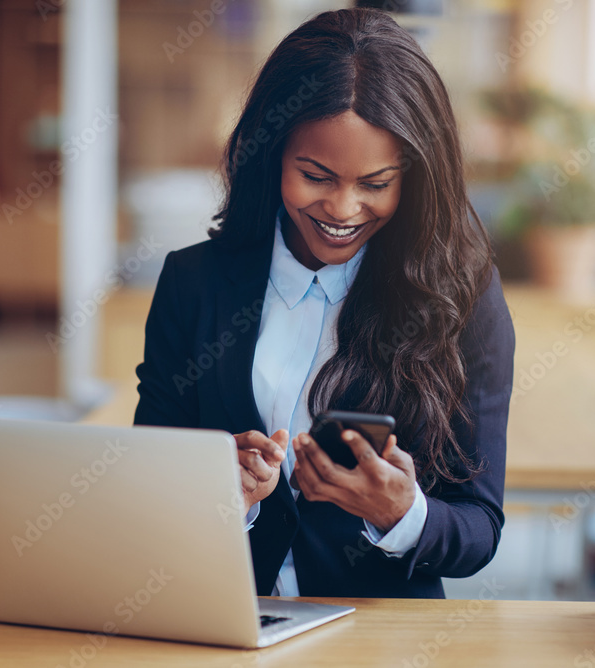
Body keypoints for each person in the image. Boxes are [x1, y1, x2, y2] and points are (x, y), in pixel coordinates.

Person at [134, 7, 515, 599]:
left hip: (377, 644)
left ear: (412, 179)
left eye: (375, 183)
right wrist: (222, 498)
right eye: (315, 175)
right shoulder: (193, 283)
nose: (341, 209)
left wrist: (403, 511)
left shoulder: (460, 298)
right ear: (272, 155)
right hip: (222, 620)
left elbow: (478, 528)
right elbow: (149, 484)